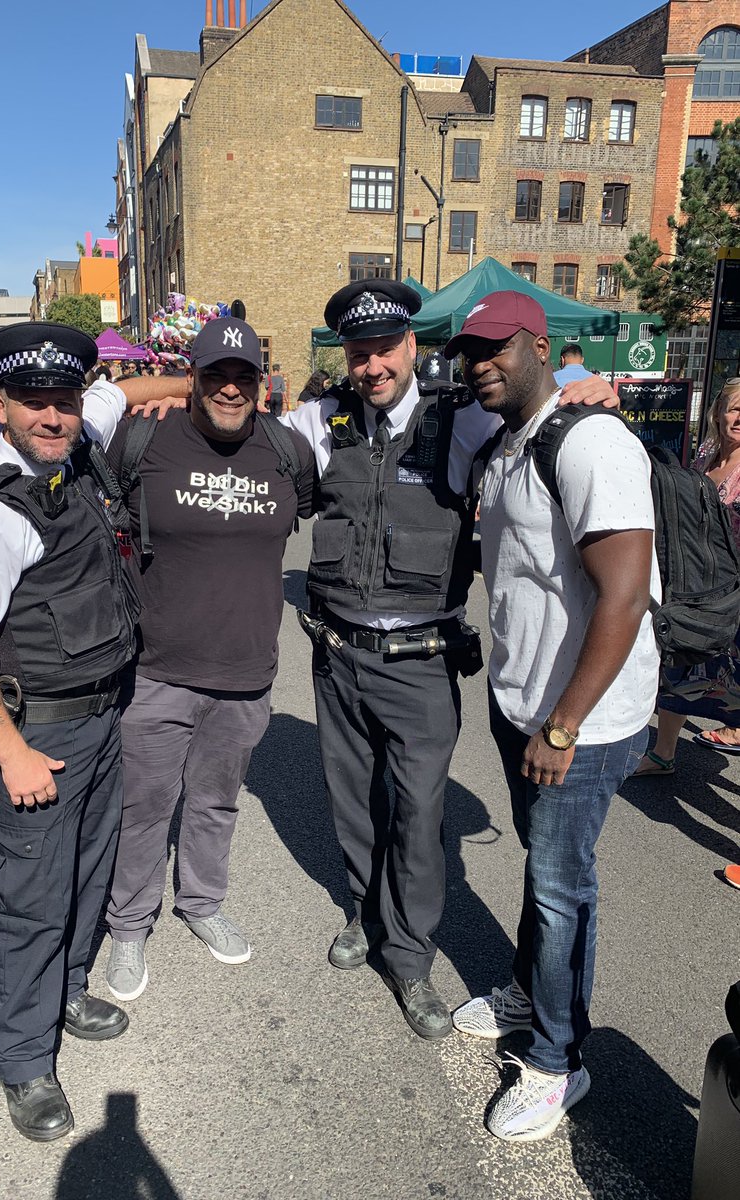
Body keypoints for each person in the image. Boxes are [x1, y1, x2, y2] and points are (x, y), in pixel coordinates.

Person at [282, 282, 620, 1041]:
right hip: (338, 656)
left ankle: (409, 956)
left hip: (422, 661)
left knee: (418, 814)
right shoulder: (320, 420)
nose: (371, 367)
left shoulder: (461, 419)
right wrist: (172, 390)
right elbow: (233, 430)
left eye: (384, 350)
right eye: (358, 353)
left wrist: (585, 383)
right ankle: (364, 916)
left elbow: (539, 404)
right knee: (354, 807)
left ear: (411, 346)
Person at [445, 291, 659, 1141]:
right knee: (547, 869)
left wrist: (564, 725)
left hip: (586, 720)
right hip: (522, 704)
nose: (481, 363)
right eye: (472, 351)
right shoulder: (508, 444)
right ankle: (531, 992)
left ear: (541, 345)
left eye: (498, 347)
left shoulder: (591, 440)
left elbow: (627, 593)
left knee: (562, 887)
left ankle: (558, 1060)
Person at [0, 323, 141, 1143]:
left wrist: (196, 375)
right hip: (39, 739)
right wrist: (10, 752)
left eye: (64, 401)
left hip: (102, 715)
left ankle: (70, 990)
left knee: (89, 876)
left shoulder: (76, 449)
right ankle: (22, 1060)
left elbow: (129, 392)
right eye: (35, 403)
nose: (53, 418)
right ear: (0, 403)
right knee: (30, 903)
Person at [96, 318, 315, 999]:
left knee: (216, 803)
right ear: (192, 378)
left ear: (259, 385)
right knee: (144, 806)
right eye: (214, 374)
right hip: (155, 669)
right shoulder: (145, 438)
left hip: (245, 674)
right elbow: (43, 438)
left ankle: (201, 903)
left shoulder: (285, 449)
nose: (228, 388)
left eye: (242, 377)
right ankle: (129, 924)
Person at [634, 377, 740, 775]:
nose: (739, 416)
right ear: (717, 413)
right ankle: (663, 754)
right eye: (733, 407)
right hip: (698, 583)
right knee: (679, 666)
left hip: (735, 590)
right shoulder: (707, 455)